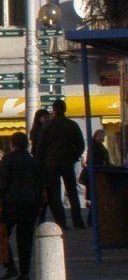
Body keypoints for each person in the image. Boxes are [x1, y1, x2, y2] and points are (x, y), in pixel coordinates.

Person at [0, 130, 44, 280]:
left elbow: (0, 183)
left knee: (1, 234)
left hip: (12, 204)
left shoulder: (8, 160)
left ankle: (10, 266)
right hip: (30, 204)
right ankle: (25, 272)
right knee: (25, 239)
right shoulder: (33, 161)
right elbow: (41, 183)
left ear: (12, 144)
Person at [40, 99, 86, 230]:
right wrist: (74, 156)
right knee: (72, 192)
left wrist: (41, 164)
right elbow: (81, 145)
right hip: (67, 162)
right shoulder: (72, 125)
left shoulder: (47, 126)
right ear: (65, 109)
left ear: (53, 110)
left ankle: (61, 222)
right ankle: (77, 220)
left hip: (51, 164)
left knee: (55, 194)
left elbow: (40, 148)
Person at [82, 127, 110, 211]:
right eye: (102, 136)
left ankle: (91, 216)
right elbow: (91, 159)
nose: (103, 138)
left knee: (95, 196)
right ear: (97, 136)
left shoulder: (95, 145)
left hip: (97, 171)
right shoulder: (95, 145)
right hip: (97, 172)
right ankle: (91, 218)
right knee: (96, 195)